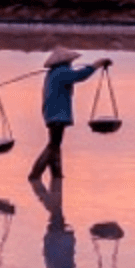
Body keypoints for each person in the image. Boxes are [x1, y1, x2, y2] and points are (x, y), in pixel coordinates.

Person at [29, 49, 110, 184]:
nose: (72, 63)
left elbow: (75, 75)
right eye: (70, 61)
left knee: (55, 144)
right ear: (65, 61)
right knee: (54, 145)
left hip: (52, 113)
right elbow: (81, 75)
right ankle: (35, 174)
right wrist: (97, 64)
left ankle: (56, 174)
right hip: (57, 114)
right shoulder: (62, 72)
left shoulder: (53, 73)